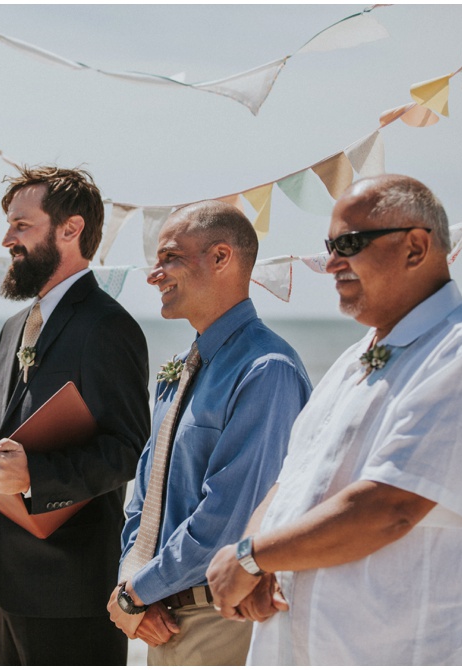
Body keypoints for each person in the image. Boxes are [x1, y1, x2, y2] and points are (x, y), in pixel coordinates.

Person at [206, 175, 462, 665]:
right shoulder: (355, 357)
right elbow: (290, 481)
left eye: (350, 244)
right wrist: (254, 556)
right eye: (330, 246)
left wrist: (251, 558)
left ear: (416, 247)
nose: (332, 263)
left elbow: (389, 505)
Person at [0, 166, 150, 665]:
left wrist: (35, 475)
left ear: (70, 229)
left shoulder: (107, 326)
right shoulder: (14, 326)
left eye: (21, 225)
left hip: (74, 587)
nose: (7, 238)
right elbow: (1, 425)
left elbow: (129, 450)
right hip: (10, 577)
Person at [105, 200, 312, 665]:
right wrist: (131, 583)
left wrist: (137, 591)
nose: (154, 275)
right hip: (160, 615)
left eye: (170, 258)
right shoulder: (178, 369)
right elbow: (145, 492)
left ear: (221, 258)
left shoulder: (267, 371)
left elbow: (228, 518)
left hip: (223, 619)